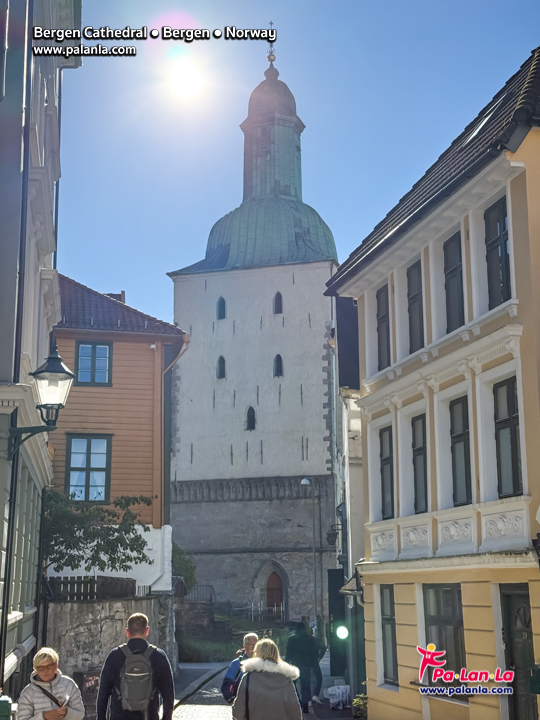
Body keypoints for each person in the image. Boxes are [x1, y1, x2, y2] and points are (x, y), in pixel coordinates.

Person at [97, 612, 174, 720]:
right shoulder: (158, 656)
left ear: (127, 632)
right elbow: (168, 696)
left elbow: (103, 694)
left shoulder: (114, 656)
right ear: (147, 631)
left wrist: (101, 717)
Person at [232, 638, 302, 720]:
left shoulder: (248, 678)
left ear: (257, 653)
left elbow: (238, 712)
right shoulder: (285, 679)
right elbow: (294, 711)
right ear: (276, 653)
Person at [18, 647, 85, 720]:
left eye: (49, 666)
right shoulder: (28, 693)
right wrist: (44, 716)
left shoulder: (69, 685)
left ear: (56, 666)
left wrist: (66, 712)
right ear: (36, 670)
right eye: (41, 668)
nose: (46, 671)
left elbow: (80, 714)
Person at [285, 623, 317, 713]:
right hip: (306, 665)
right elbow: (313, 654)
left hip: (294, 665)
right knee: (305, 685)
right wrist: (313, 665)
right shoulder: (310, 640)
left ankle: (297, 702)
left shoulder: (291, 639)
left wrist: (286, 665)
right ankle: (305, 704)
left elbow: (288, 654)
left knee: (293, 684)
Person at [221, 633, 258, 704]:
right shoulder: (236, 663)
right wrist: (232, 700)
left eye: (256, 644)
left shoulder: (263, 663)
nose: (254, 647)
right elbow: (226, 686)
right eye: (251, 644)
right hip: (242, 705)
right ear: (244, 646)